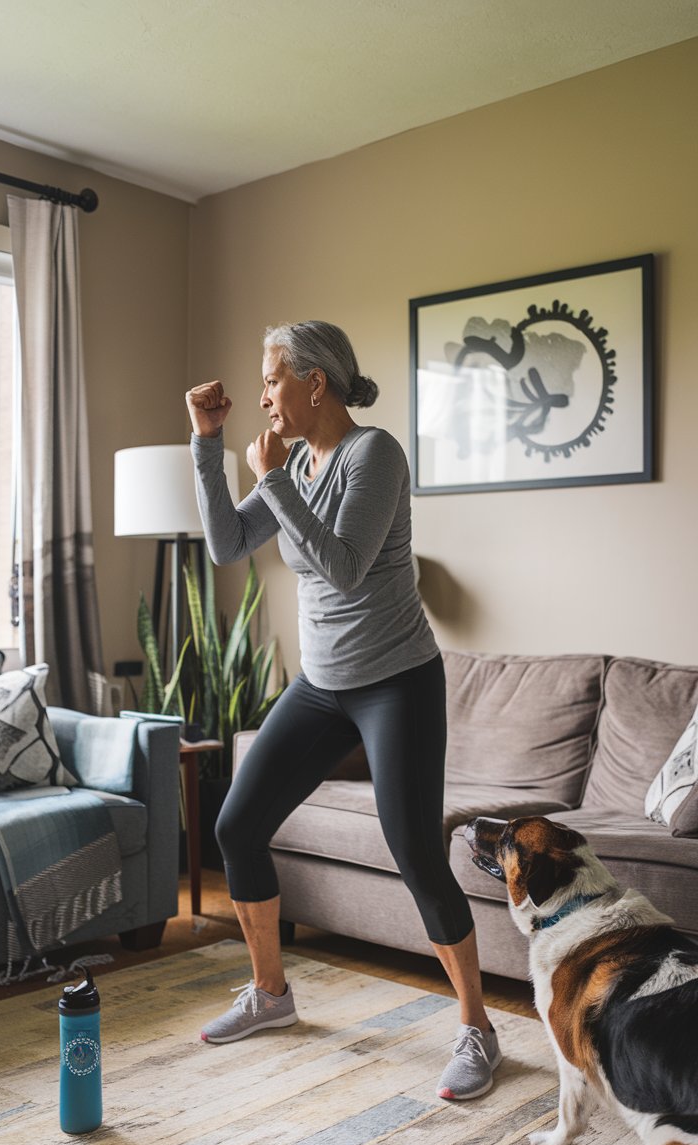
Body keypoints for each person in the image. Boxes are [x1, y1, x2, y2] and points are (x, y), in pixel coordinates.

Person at [186, 320, 501, 1100]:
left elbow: (349, 568)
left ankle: (478, 1030)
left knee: (416, 851)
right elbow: (228, 545)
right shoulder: (293, 464)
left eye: (271, 379)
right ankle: (271, 995)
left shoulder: (375, 455)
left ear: (314, 382)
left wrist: (279, 483)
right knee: (236, 825)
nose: (262, 394)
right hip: (322, 685)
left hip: (398, 682)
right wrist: (207, 443)